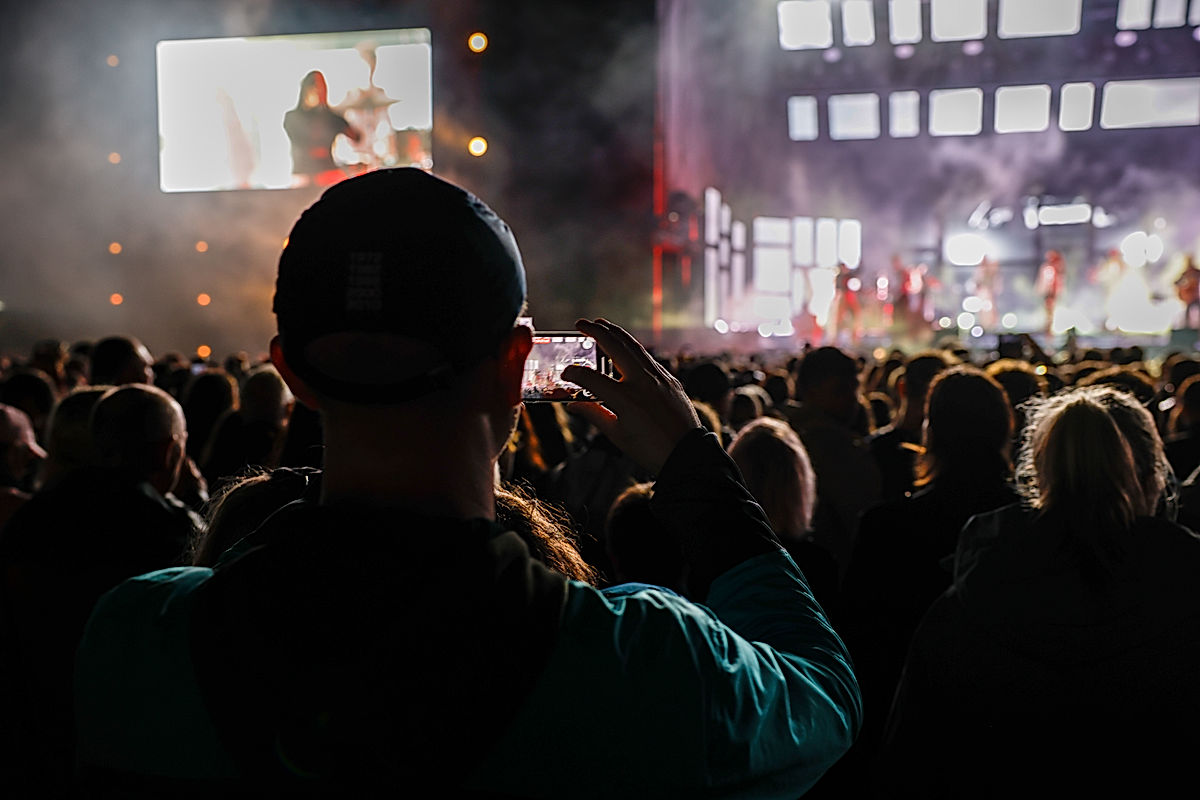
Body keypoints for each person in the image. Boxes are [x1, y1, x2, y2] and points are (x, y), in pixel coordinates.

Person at [73, 168, 860, 796]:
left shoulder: (136, 639)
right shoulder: (646, 663)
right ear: (518, 363)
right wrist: (695, 469)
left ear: (292, 374)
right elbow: (822, 697)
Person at [876, 385, 1200, 797]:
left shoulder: (969, 601)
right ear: (1154, 477)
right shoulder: (1185, 592)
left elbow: (909, 760)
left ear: (1037, 477)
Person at [0, 384, 198, 793]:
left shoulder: (36, 516)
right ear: (169, 451)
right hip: (133, 740)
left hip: (34, 727)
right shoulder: (173, 532)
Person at [283, 70, 361, 188]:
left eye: (321, 89)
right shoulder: (292, 118)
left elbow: (356, 137)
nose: (318, 92)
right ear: (305, 90)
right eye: (314, 88)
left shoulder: (332, 118)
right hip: (303, 176)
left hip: (328, 174)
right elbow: (305, 144)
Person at [1035, 249, 1065, 335]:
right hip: (1048, 293)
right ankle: (1048, 328)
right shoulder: (1048, 269)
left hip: (1052, 294)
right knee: (1048, 311)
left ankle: (1049, 328)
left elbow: (1057, 283)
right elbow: (1045, 282)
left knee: (1050, 311)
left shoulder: (1057, 269)